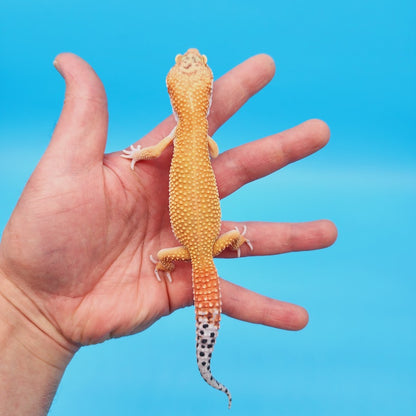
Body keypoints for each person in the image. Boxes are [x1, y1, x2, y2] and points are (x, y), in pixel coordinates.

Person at [0, 52, 337, 415]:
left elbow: (154, 151)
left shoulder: (177, 135)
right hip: (207, 245)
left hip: (197, 248)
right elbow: (214, 149)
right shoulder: (202, 136)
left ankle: (208, 369)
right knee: (169, 257)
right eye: (184, 62)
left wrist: (137, 156)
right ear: (205, 96)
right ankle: (209, 369)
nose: (190, 58)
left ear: (173, 94)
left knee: (163, 258)